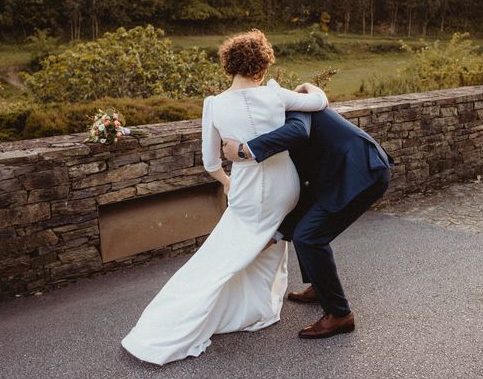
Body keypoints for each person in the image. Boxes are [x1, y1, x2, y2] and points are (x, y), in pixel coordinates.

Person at [121, 30, 328, 365]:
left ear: (229, 67)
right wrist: (307, 87)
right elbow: (320, 102)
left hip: (247, 191)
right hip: (283, 188)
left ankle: (195, 313)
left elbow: (210, 163)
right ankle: (258, 305)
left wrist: (228, 182)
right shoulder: (277, 96)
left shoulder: (214, 105)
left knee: (226, 252)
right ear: (263, 66)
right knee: (267, 243)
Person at [222, 100, 392, 339]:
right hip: (340, 174)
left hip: (362, 171)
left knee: (308, 237)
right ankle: (319, 288)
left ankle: (340, 314)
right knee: (307, 230)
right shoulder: (289, 116)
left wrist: (244, 150)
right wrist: (276, 234)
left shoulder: (293, 110)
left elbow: (298, 131)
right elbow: (304, 191)